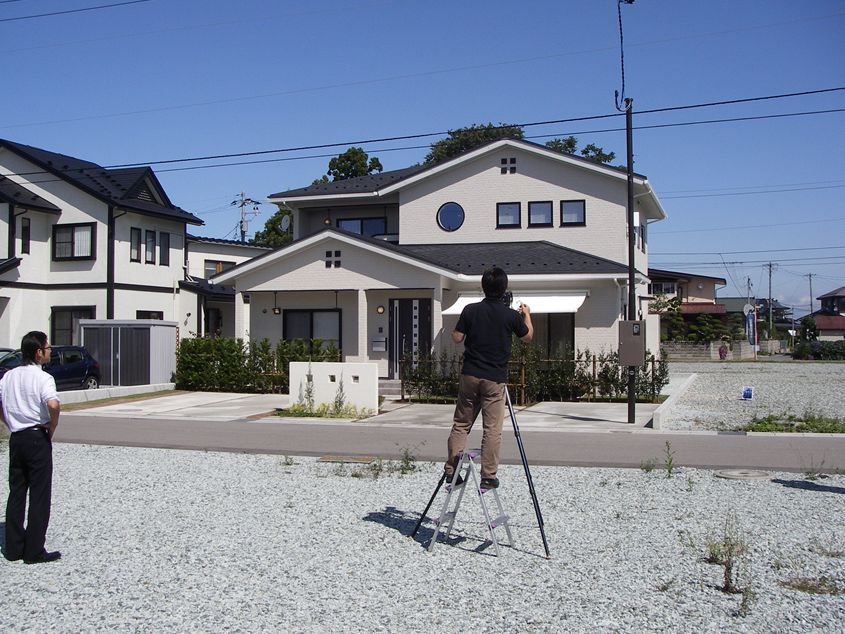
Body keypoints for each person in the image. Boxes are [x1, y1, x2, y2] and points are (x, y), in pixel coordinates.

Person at [444, 267, 533, 489]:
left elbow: (456, 338)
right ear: (504, 289)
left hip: (470, 374)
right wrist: (527, 315)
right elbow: (528, 337)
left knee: (461, 424)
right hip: (494, 377)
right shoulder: (510, 315)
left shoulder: (470, 310)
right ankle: (488, 475)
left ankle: (452, 470)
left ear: (483, 286)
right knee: (492, 428)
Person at [1, 331, 61, 564]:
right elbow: (53, 403)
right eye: (47, 348)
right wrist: (52, 424)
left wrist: (8, 421)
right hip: (37, 436)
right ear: (38, 352)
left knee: (16, 491)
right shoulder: (42, 378)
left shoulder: (9, 376)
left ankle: (13, 549)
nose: (50, 351)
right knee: (39, 493)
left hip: (17, 438)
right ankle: (34, 550)